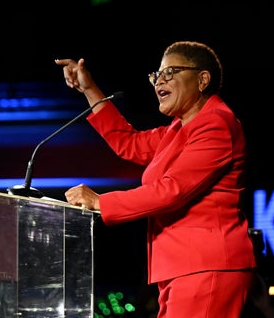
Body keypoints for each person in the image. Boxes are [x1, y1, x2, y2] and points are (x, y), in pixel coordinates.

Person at [56, 41, 258, 318]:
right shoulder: (178, 130)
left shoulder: (216, 124)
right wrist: (90, 89)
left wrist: (101, 202)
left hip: (206, 268)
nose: (159, 81)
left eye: (171, 72)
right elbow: (126, 142)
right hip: (182, 269)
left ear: (202, 79)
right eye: (157, 75)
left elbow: (172, 191)